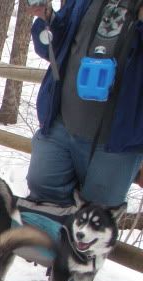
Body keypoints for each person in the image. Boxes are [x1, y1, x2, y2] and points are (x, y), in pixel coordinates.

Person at [26, 0, 143, 209]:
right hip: (61, 125)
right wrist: (48, 19)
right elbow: (54, 48)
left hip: (117, 144)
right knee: (42, 201)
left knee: (95, 223)